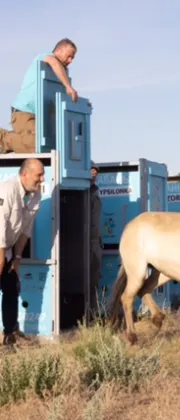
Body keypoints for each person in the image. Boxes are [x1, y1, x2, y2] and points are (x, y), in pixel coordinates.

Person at [0, 38, 79, 154]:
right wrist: (68, 86)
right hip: (24, 111)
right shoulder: (44, 57)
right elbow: (53, 61)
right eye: (68, 56)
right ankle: (4, 138)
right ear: (59, 51)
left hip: (43, 117)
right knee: (34, 146)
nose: (70, 60)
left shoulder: (61, 73)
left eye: (72, 58)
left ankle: (16, 139)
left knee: (47, 147)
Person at [0, 158, 44, 350]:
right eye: (39, 175)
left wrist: (17, 258)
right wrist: (0, 257)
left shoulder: (35, 195)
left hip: (8, 250)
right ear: (24, 174)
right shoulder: (7, 190)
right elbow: (0, 225)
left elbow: (26, 230)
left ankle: (9, 334)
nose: (42, 179)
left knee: (11, 288)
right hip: (0, 246)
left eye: (42, 175)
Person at [89, 162, 103, 318]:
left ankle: (93, 315)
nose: (93, 175)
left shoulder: (95, 192)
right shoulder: (81, 192)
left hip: (95, 243)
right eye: (91, 172)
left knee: (94, 281)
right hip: (84, 243)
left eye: (95, 173)